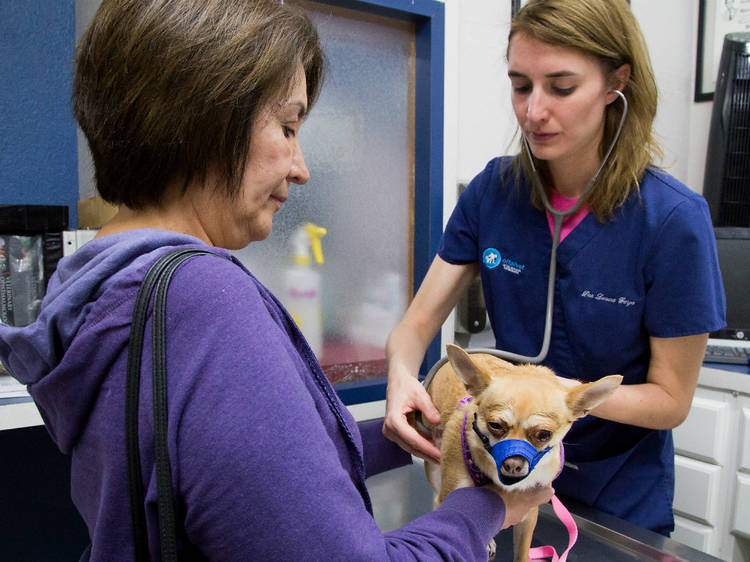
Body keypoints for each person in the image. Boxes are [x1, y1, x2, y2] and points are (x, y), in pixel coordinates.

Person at [0, 1, 552, 560]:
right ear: (205, 120)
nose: (301, 167)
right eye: (287, 127)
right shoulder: (204, 301)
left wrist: (398, 442)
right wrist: (484, 509)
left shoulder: (102, 283)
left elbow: (226, 476)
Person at [384, 0, 725, 537]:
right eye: (521, 85)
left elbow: (671, 401)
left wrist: (561, 400)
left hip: (615, 492)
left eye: (561, 88)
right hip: (502, 472)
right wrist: (401, 377)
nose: (533, 111)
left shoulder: (673, 221)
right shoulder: (492, 194)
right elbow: (416, 326)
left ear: (617, 83)